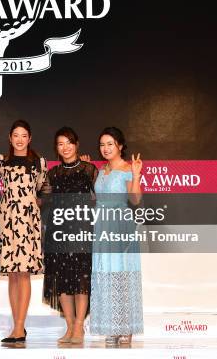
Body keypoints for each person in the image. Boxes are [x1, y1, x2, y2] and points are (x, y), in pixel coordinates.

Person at [0, 120, 48, 344]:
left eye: (24, 135)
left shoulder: (39, 162)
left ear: (30, 138)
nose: (20, 139)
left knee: (23, 274)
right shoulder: (2, 161)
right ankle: (15, 327)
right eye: (16, 135)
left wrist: (32, 205)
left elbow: (45, 189)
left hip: (28, 222)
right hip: (7, 221)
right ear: (10, 137)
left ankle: (21, 328)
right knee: (12, 275)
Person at [41, 127, 98, 344]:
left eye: (69, 142)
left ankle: (79, 327)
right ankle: (69, 326)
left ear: (77, 144)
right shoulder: (52, 174)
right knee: (62, 280)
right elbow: (41, 200)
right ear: (56, 148)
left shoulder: (89, 169)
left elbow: (100, 198)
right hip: (58, 233)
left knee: (81, 277)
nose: (65, 147)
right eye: (60, 143)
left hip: (82, 232)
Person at [89, 127, 144, 346]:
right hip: (101, 226)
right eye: (102, 144)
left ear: (120, 145)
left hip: (121, 226)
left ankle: (126, 327)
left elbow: (136, 199)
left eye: (110, 144)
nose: (106, 148)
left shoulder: (127, 168)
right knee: (105, 275)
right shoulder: (102, 171)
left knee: (122, 275)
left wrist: (137, 175)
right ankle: (111, 326)